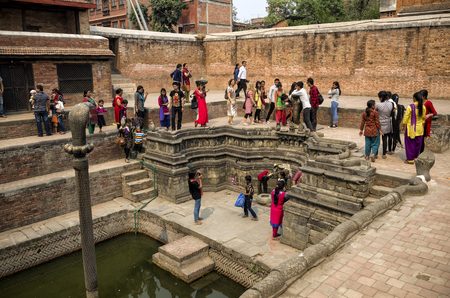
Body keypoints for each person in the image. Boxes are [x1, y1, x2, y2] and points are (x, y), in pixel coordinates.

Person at [403, 92, 430, 164]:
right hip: (420, 128)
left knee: (410, 144)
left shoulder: (410, 107)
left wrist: (403, 125)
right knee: (417, 144)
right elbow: (423, 119)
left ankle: (410, 159)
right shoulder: (423, 107)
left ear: (414, 98)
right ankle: (415, 158)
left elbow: (406, 118)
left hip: (411, 129)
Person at [375, 91, 393, 159]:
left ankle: (376, 153)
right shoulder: (391, 104)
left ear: (381, 97)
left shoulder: (378, 105)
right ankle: (384, 154)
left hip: (379, 123)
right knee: (385, 139)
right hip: (387, 123)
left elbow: (375, 112)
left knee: (377, 139)